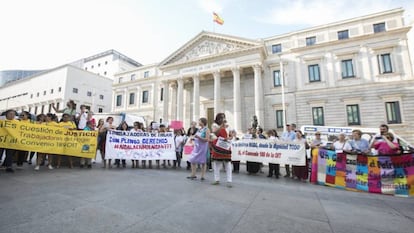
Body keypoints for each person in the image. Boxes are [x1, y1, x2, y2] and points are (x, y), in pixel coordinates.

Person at [210, 113, 233, 187]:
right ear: (217, 118)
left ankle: (229, 181)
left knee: (228, 164)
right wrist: (221, 127)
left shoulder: (227, 126)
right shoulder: (214, 125)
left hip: (225, 146)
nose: (222, 119)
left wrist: (230, 137)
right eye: (221, 118)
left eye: (223, 118)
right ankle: (217, 179)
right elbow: (215, 134)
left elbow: (231, 135)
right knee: (217, 164)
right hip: (218, 146)